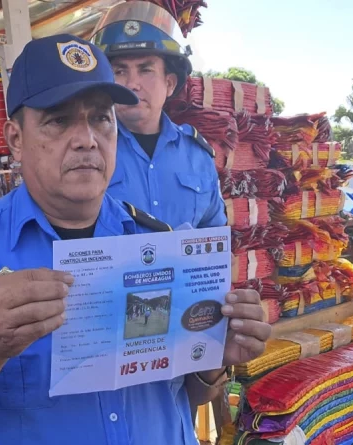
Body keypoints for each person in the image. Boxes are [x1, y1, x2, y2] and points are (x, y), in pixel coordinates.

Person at [0, 34, 271, 445]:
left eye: (101, 118)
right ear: (15, 139)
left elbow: (186, 393)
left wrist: (213, 357)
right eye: (59, 120)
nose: (86, 139)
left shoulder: (159, 246)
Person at [91, 0, 237, 424]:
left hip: (182, 343)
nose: (132, 82)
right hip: (107, 341)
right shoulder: (88, 151)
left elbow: (216, 248)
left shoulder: (198, 158)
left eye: (146, 69)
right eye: (119, 70)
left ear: (170, 81)